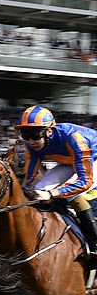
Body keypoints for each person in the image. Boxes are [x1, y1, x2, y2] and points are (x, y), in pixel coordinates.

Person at [16, 105, 97, 256]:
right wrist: (24, 191)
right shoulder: (32, 145)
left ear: (49, 131)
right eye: (25, 135)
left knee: (69, 191)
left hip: (92, 159)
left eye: (35, 134)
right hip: (71, 160)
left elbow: (84, 181)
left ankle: (95, 243)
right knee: (39, 189)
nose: (30, 141)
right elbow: (29, 176)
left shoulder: (75, 139)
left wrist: (53, 193)